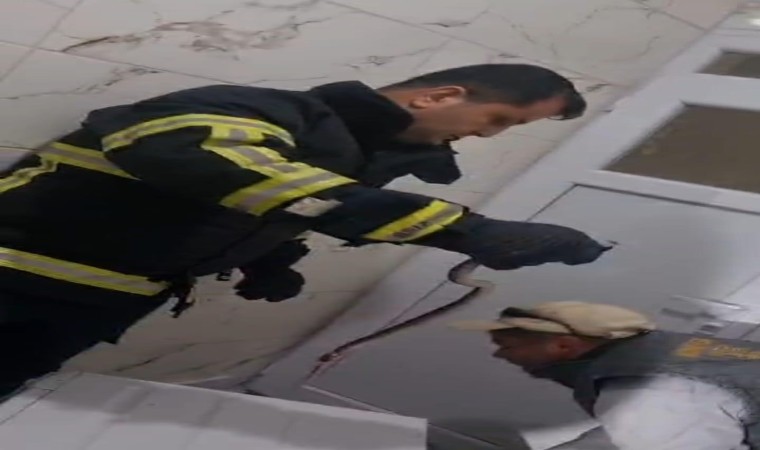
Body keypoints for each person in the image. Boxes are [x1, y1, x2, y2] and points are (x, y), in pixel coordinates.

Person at [0, 64, 611, 397]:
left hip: (93, 303)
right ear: (439, 96)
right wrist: (461, 229)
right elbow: (207, 164)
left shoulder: (344, 155)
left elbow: (264, 203)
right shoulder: (256, 109)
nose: (485, 135)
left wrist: (264, 257)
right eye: (499, 119)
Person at [454, 301, 760, 449]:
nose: (499, 355)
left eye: (506, 345)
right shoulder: (673, 348)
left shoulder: (652, 386)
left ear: (563, 346)